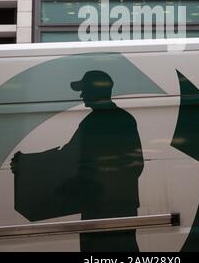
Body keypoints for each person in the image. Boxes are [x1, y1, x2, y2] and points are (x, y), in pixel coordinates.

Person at [59, 70, 144, 252]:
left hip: (99, 206)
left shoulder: (91, 123)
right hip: (123, 204)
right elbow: (136, 165)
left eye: (85, 90)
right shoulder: (125, 119)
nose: (82, 95)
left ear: (95, 91)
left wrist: (27, 163)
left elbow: (67, 156)